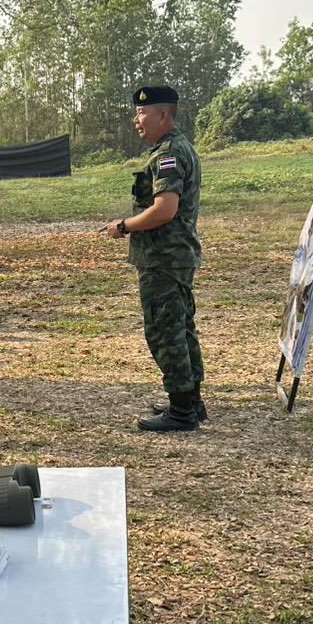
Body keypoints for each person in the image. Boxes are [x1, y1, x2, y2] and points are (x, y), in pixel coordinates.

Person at [105, 85, 205, 432]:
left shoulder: (169, 155)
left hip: (164, 258)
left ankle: (181, 412)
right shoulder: (173, 149)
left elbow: (164, 210)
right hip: (173, 257)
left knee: (166, 331)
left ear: (164, 115)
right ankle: (190, 400)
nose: (137, 120)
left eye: (143, 113)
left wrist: (124, 226)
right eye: (136, 113)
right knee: (181, 327)